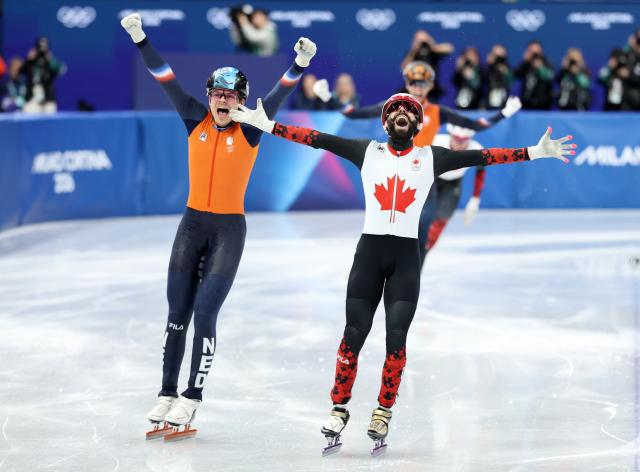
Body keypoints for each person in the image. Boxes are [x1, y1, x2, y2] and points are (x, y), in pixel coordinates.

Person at [230, 93, 575, 452]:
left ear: (419, 126)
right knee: (353, 334)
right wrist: (266, 125)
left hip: (406, 261)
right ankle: (338, 407)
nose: (401, 114)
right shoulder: (366, 151)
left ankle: (383, 411)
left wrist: (534, 152)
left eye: (410, 112)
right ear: (384, 122)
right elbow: (316, 139)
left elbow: (485, 156)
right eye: (394, 110)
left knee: (396, 340)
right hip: (369, 255)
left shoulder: (432, 157)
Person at [120, 12, 317, 440]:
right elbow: (164, 76)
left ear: (241, 100)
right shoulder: (195, 118)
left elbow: (280, 94)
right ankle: (166, 393)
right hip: (191, 226)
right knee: (176, 315)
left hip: (228, 230)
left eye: (231, 96)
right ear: (209, 97)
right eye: (217, 94)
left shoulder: (250, 128)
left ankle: (191, 397)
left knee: (205, 313)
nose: (223, 101)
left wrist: (299, 64)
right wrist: (140, 39)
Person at [313, 61, 522, 270]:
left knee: (422, 235)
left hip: (422, 176)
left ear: (431, 85)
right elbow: (353, 113)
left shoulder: (439, 111)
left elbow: (476, 125)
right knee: (384, 231)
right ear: (407, 83)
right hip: (393, 173)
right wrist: (329, 99)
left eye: (423, 83)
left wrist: (503, 113)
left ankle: (411, 280)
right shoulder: (392, 105)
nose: (418, 88)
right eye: (414, 82)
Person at [418, 125, 485, 265]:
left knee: (443, 215)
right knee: (423, 215)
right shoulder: (436, 142)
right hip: (432, 179)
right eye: (457, 139)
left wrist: (475, 198)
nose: (460, 144)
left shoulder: (476, 148)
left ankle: (425, 249)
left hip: (453, 183)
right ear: (450, 136)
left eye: (464, 140)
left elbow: (481, 172)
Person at [400, 30, 454, 101]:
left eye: (424, 39)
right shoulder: (412, 53)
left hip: (430, 90)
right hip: (414, 88)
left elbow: (449, 49)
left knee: (431, 109)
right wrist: (414, 49)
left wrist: (432, 45)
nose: (422, 42)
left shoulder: (433, 51)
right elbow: (403, 67)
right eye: (419, 39)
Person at [21, 37, 66, 114]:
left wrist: (51, 60)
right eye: (40, 47)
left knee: (49, 121)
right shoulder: (31, 61)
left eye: (44, 47)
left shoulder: (50, 61)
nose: (42, 50)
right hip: (32, 97)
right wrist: (28, 60)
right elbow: (20, 72)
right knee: (28, 113)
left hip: (48, 98)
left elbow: (61, 70)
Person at [515, 41, 554, 110]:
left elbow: (550, 77)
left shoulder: (546, 63)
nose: (534, 55)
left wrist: (541, 68)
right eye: (532, 52)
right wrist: (525, 61)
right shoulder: (526, 65)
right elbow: (516, 75)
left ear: (541, 51)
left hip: (543, 104)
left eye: (536, 52)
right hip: (526, 104)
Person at [484, 44, 513, 110]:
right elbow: (482, 80)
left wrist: (506, 73)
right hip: (489, 100)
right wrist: (489, 64)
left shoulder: (506, 67)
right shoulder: (488, 67)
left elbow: (510, 81)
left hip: (503, 101)